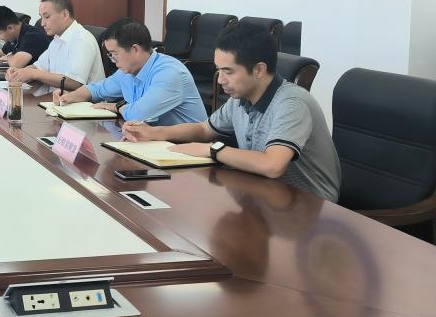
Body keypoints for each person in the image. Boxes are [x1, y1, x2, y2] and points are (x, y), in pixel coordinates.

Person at [122, 22, 341, 202]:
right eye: (218, 70)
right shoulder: (241, 98)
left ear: (259, 70)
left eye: (228, 72)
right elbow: (203, 129)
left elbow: (272, 165)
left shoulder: (292, 103)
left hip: (309, 207)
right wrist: (153, 132)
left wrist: (212, 150)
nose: (220, 80)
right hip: (264, 195)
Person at [53, 18, 207, 126]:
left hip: (188, 150)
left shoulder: (169, 73)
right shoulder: (127, 71)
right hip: (154, 141)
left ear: (135, 50)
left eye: (115, 54)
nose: (113, 60)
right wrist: (70, 97)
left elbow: (138, 114)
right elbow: (97, 89)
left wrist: (116, 106)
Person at [6, 0, 103, 93]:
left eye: (47, 17)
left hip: (82, 101)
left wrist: (34, 73)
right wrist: (19, 72)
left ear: (65, 14)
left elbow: (74, 82)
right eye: (41, 17)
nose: (42, 23)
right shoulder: (56, 40)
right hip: (57, 99)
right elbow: (39, 66)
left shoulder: (82, 39)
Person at [0, 5, 51, 69]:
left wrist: (8, 57)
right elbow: (0, 53)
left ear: (10, 28)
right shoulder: (13, 37)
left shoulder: (33, 36)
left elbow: (16, 64)